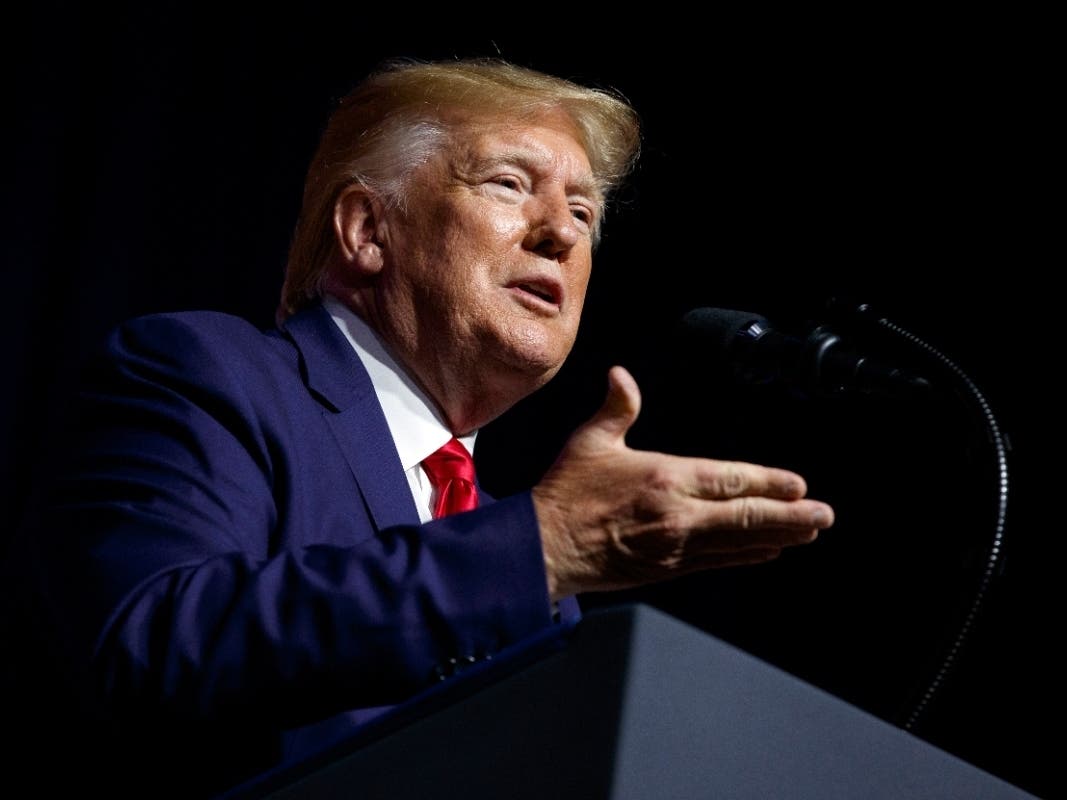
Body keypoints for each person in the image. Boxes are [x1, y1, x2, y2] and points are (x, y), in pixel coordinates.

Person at [3, 57, 834, 797]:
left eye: (583, 215)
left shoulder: (500, 527)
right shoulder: (206, 371)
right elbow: (151, 645)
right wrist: (538, 550)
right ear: (367, 231)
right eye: (509, 184)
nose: (559, 235)